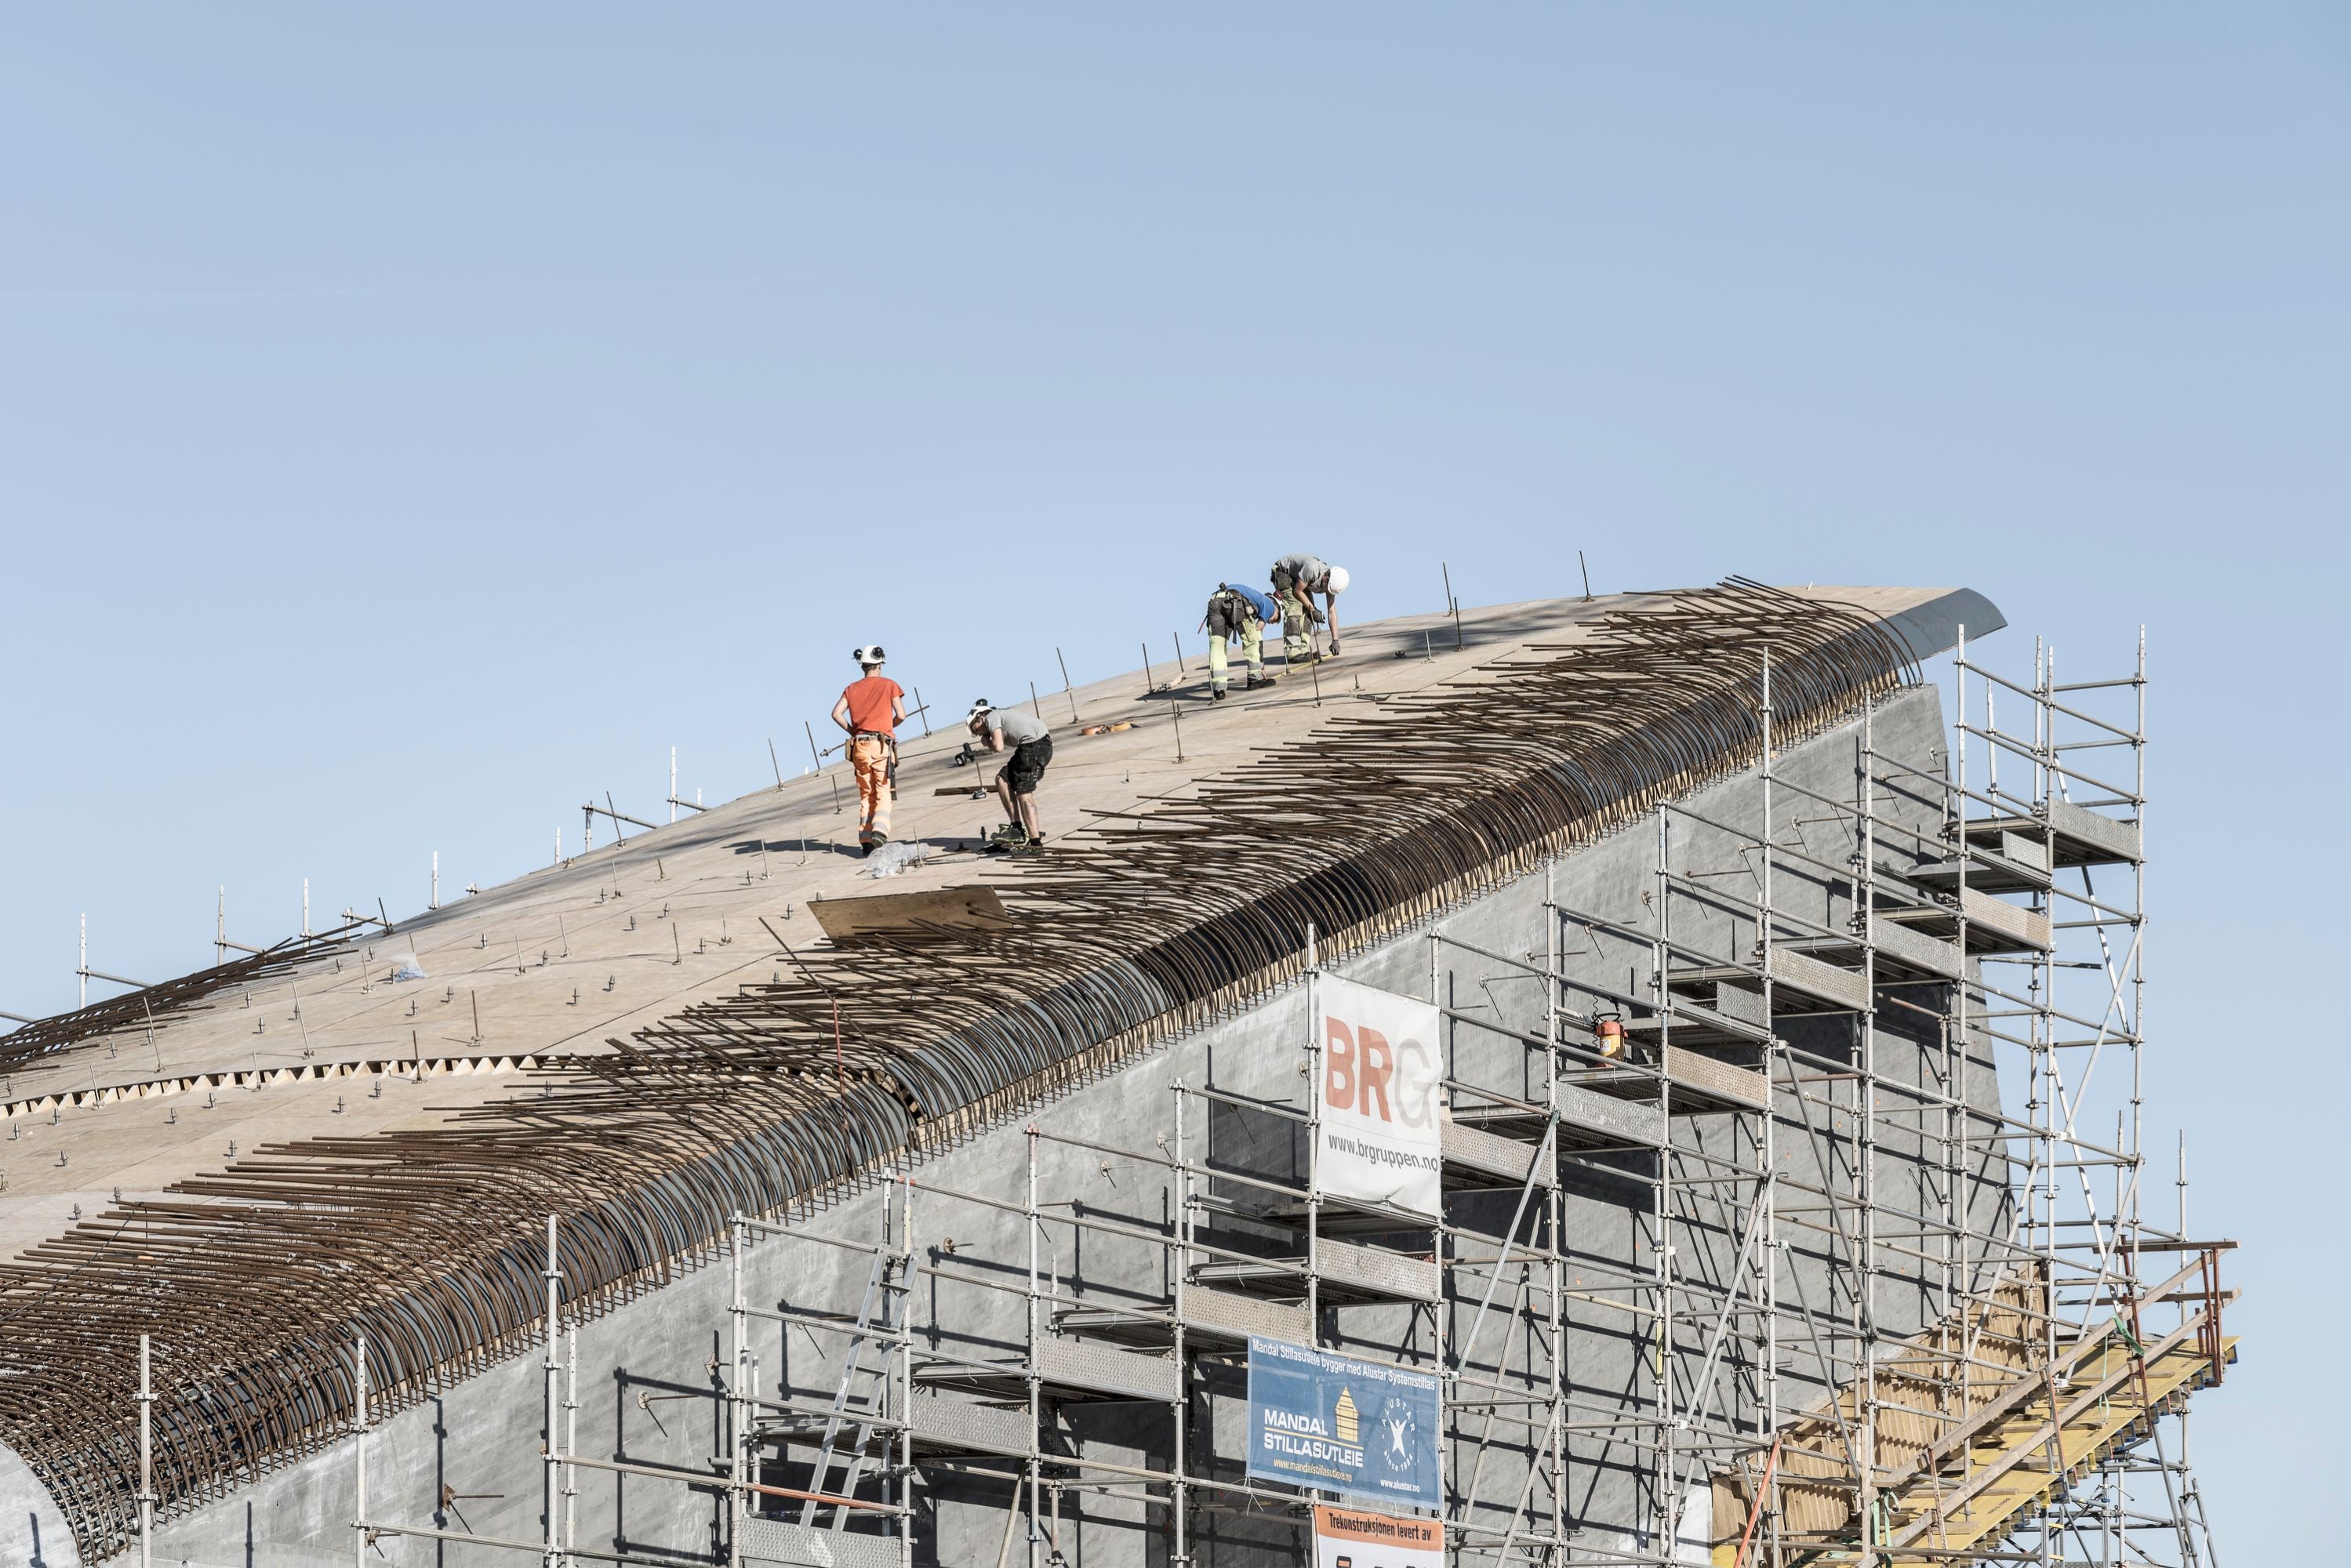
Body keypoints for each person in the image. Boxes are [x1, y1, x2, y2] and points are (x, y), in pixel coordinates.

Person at [830, 645, 907, 855]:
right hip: (880, 745)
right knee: (883, 790)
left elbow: (836, 713)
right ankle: (880, 832)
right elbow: (901, 715)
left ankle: (865, 839)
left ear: (862, 665)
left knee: (866, 793)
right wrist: (887, 727)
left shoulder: (851, 689)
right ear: (880, 664)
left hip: (859, 747)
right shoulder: (889, 685)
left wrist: (853, 730)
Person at [968, 699, 1052, 853]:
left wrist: (988, 742)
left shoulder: (992, 717)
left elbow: (998, 747)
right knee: (1003, 779)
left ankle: (1036, 845)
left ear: (980, 718)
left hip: (1033, 746)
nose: (978, 733)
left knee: (1024, 794)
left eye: (977, 729)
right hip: (1032, 747)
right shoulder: (1001, 716)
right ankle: (1016, 828)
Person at [1203, 580, 1279, 700]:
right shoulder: (1270, 605)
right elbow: (1258, 632)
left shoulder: (1257, 598)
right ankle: (1255, 679)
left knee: (1217, 646)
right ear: (1277, 609)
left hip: (1215, 600)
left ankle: (1219, 689)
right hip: (1235, 601)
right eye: (1275, 619)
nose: (1271, 622)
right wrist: (1261, 667)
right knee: (1252, 640)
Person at [1270, 554, 1351, 663]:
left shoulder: (1331, 585)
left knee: (1309, 611)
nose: (1327, 592)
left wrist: (1335, 639)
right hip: (1282, 572)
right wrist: (1313, 610)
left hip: (1299, 579)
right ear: (1327, 576)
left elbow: (1332, 612)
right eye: (1326, 589)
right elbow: (1297, 591)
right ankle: (1292, 652)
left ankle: (1303, 649)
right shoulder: (1312, 569)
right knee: (1295, 606)